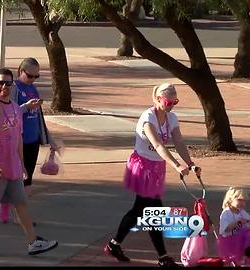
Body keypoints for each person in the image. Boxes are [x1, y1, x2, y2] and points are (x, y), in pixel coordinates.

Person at [103, 83, 202, 267]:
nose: (172, 105)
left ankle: (114, 244)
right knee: (152, 210)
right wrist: (177, 165)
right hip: (143, 167)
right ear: (157, 99)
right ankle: (163, 257)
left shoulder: (172, 118)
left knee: (141, 210)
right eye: (168, 101)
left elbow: (179, 142)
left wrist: (191, 163)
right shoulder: (148, 118)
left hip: (157, 167)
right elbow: (158, 145)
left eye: (175, 102)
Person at [0, 68, 58, 256]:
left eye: (8, 83)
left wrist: (22, 164)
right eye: (0, 82)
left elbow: (18, 138)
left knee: (21, 203)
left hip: (14, 167)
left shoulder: (14, 107)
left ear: (13, 85)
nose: (4, 86)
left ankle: (33, 242)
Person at [5, 57, 59, 223]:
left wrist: (50, 139)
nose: (33, 79)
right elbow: (9, 114)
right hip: (18, 140)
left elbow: (39, 118)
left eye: (37, 76)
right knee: (15, 178)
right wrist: (26, 107)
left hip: (32, 140)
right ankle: (13, 213)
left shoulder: (33, 89)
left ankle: (20, 214)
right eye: (30, 76)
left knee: (27, 179)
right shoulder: (14, 88)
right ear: (21, 72)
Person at [218, 187, 250, 266]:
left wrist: (246, 223)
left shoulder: (241, 211)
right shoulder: (226, 213)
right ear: (230, 200)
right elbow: (226, 229)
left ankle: (245, 257)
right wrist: (238, 222)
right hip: (230, 239)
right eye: (239, 200)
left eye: (244, 201)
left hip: (240, 238)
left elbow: (248, 219)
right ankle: (244, 257)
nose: (243, 203)